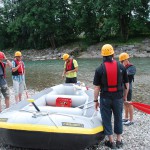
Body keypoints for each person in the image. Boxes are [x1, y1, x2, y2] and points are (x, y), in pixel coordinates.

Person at [93, 44, 129, 149]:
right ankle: (119, 140)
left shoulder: (99, 69)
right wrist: (125, 97)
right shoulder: (121, 66)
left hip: (105, 98)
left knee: (106, 118)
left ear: (102, 55)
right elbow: (127, 85)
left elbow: (96, 88)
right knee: (118, 117)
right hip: (118, 97)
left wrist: (95, 100)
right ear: (113, 53)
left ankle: (111, 141)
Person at [119, 52, 136, 126]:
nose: (122, 63)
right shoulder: (123, 67)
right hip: (123, 87)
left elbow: (126, 74)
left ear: (126, 60)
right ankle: (126, 117)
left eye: (122, 61)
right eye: (121, 62)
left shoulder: (132, 67)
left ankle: (131, 120)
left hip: (129, 88)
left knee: (129, 103)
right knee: (125, 103)